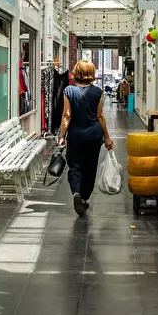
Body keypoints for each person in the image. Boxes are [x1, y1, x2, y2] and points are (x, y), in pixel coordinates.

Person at [58, 60, 115, 217]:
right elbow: (100, 116)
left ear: (76, 73)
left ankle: (76, 191)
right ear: (91, 74)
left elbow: (67, 116)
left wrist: (62, 136)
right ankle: (83, 198)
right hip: (94, 136)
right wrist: (107, 137)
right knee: (90, 168)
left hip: (76, 135)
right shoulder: (97, 92)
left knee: (75, 167)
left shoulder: (68, 91)